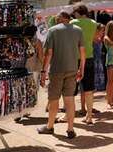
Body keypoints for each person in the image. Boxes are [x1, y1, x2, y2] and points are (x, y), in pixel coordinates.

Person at [37, 11, 85, 139]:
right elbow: (82, 51)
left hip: (57, 70)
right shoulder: (78, 30)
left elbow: (49, 54)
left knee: (54, 99)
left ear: (60, 19)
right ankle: (70, 129)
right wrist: (81, 69)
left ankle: (50, 126)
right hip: (72, 69)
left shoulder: (53, 31)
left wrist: (43, 72)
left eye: (57, 18)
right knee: (69, 100)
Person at [70, 3, 98, 125]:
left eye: (74, 11)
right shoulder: (93, 23)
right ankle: (89, 116)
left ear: (78, 12)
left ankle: (68, 115)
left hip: (75, 58)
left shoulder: (73, 23)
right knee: (88, 89)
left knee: (70, 89)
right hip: (89, 57)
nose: (73, 14)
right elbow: (94, 39)